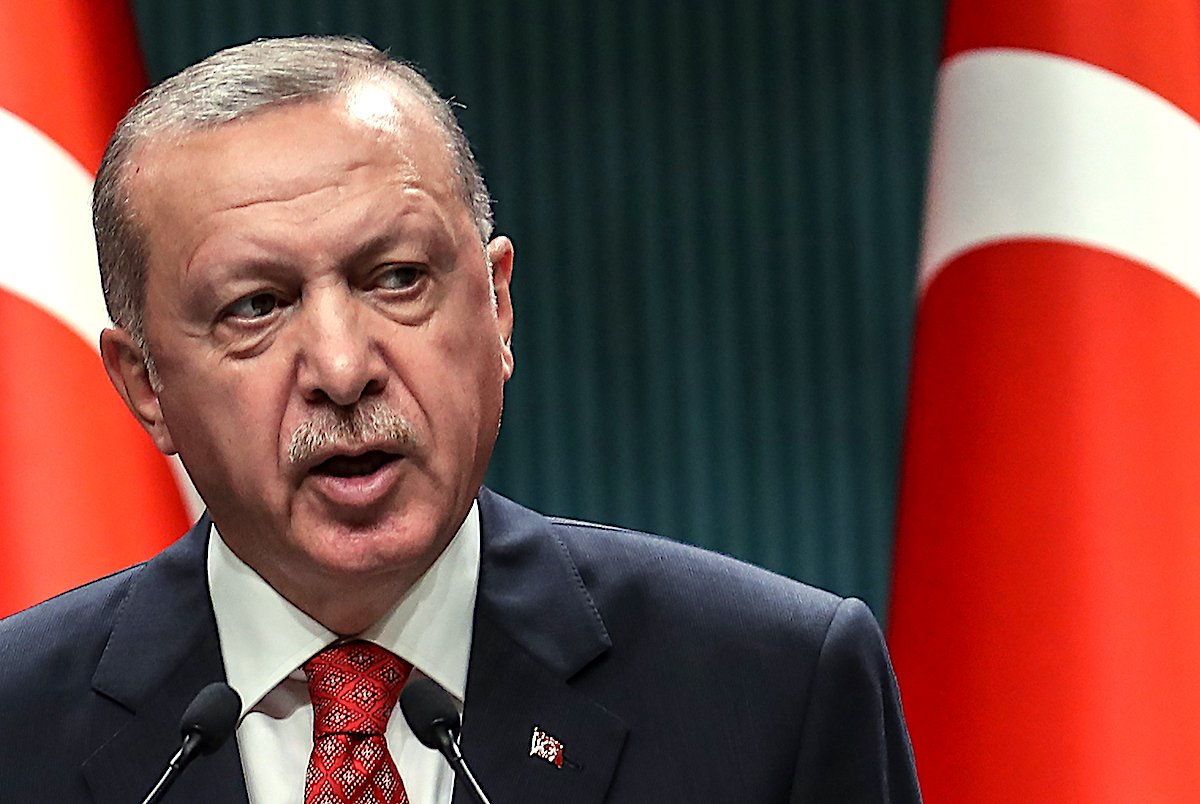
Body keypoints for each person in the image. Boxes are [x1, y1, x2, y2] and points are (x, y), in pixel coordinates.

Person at [0, 36, 920, 803]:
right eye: (256, 306)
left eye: (397, 279)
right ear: (144, 386)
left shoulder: (771, 691)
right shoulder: (19, 728)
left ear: (498, 308)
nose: (344, 368)